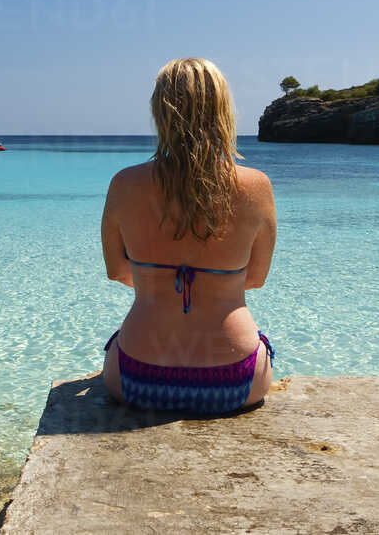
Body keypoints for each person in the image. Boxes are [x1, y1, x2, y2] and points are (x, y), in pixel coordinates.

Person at [100, 58, 276, 414]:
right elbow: (255, 280)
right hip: (234, 380)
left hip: (137, 377)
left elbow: (117, 271)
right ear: (224, 110)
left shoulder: (125, 184)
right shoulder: (256, 186)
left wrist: (158, 286)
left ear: (160, 112)